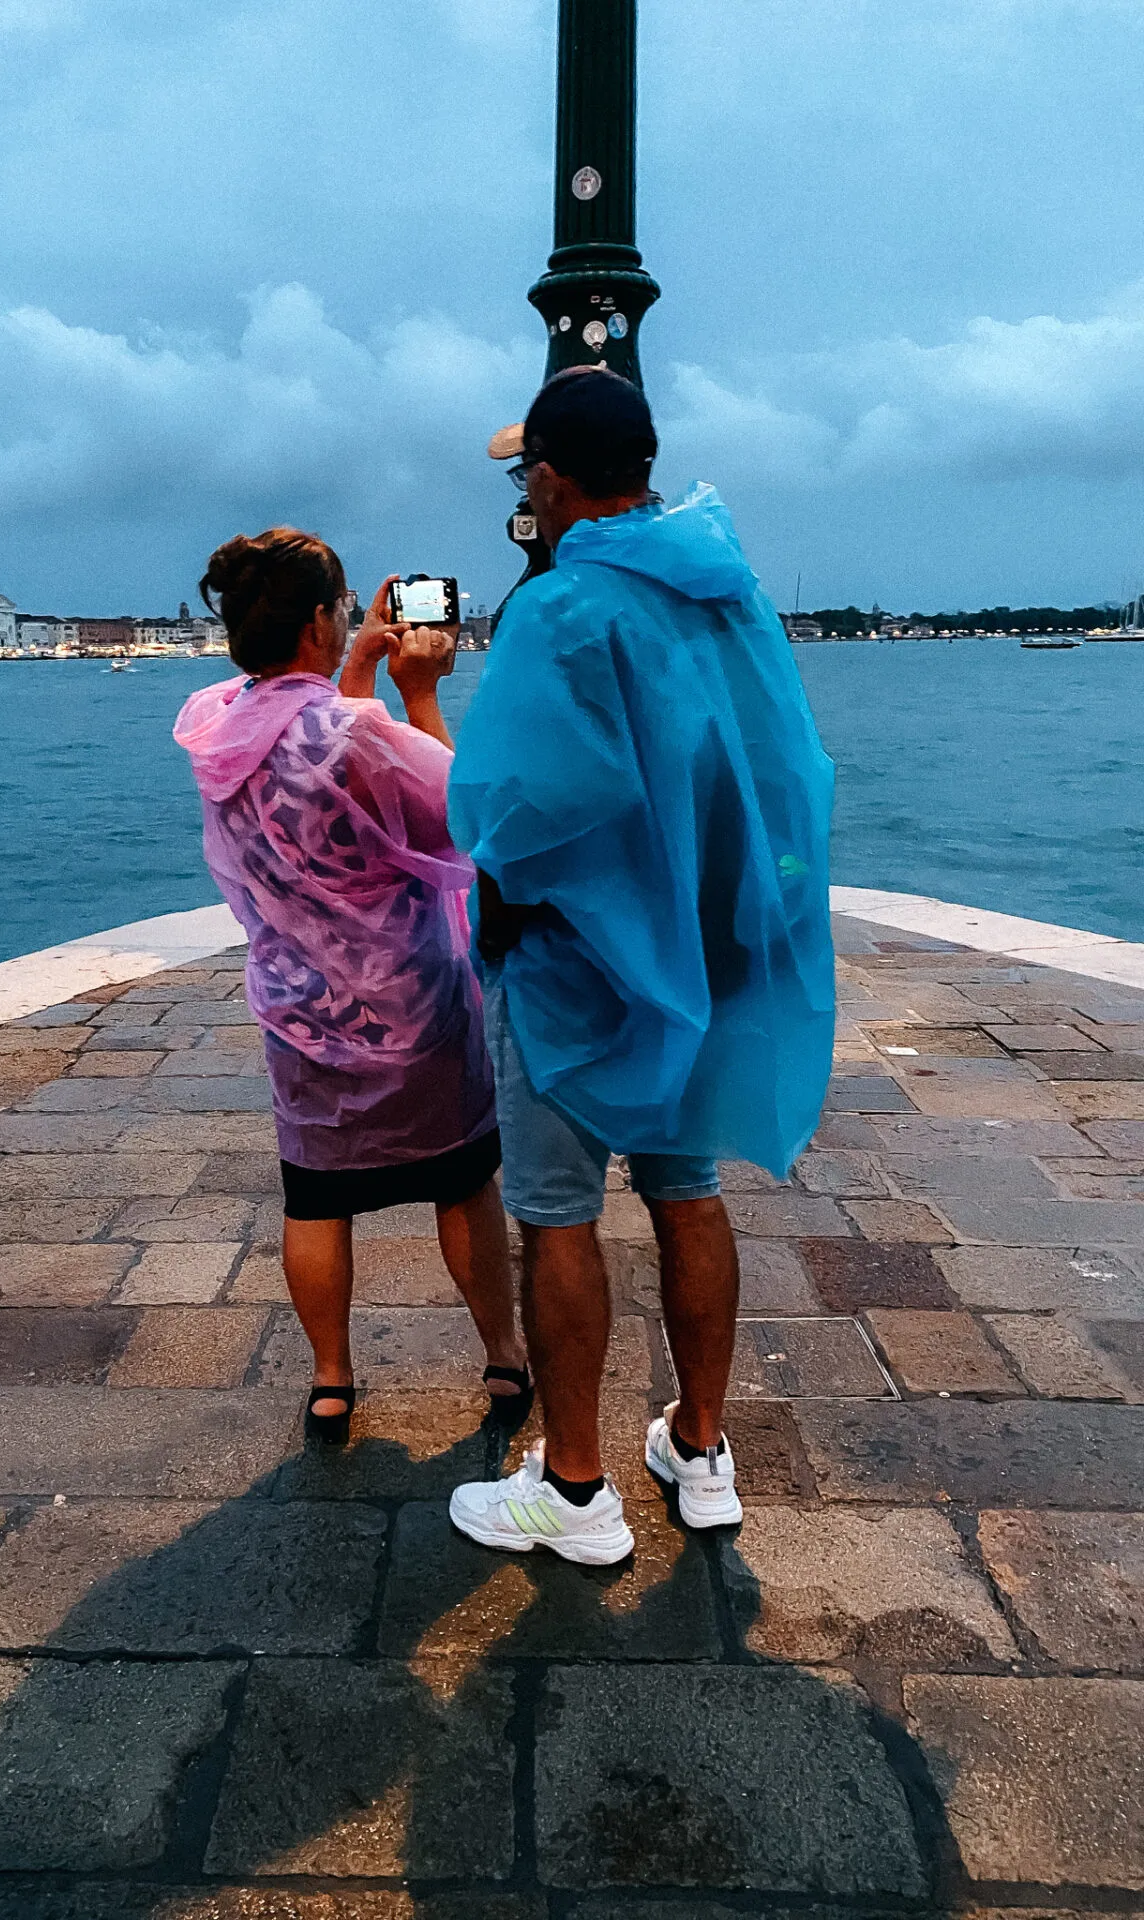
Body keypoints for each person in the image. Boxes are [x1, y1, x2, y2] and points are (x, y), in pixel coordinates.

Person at [445, 367, 835, 1564]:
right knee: (686, 1191)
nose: (529, 494)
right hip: (707, 954)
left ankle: (573, 1495)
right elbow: (783, 773)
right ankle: (702, 1452)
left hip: (575, 968)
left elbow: (506, 804)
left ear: (555, 481)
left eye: (528, 475)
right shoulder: (732, 591)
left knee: (557, 1219)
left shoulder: (560, 608)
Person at [174, 527, 531, 1444]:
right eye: (338, 611)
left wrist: (356, 677)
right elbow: (465, 814)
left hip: (298, 1006)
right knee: (462, 1182)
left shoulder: (214, 724)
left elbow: (322, 784)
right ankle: (502, 1355)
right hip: (413, 1004)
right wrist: (418, 692)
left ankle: (332, 1379)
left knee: (316, 1195)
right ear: (317, 622)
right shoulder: (358, 730)